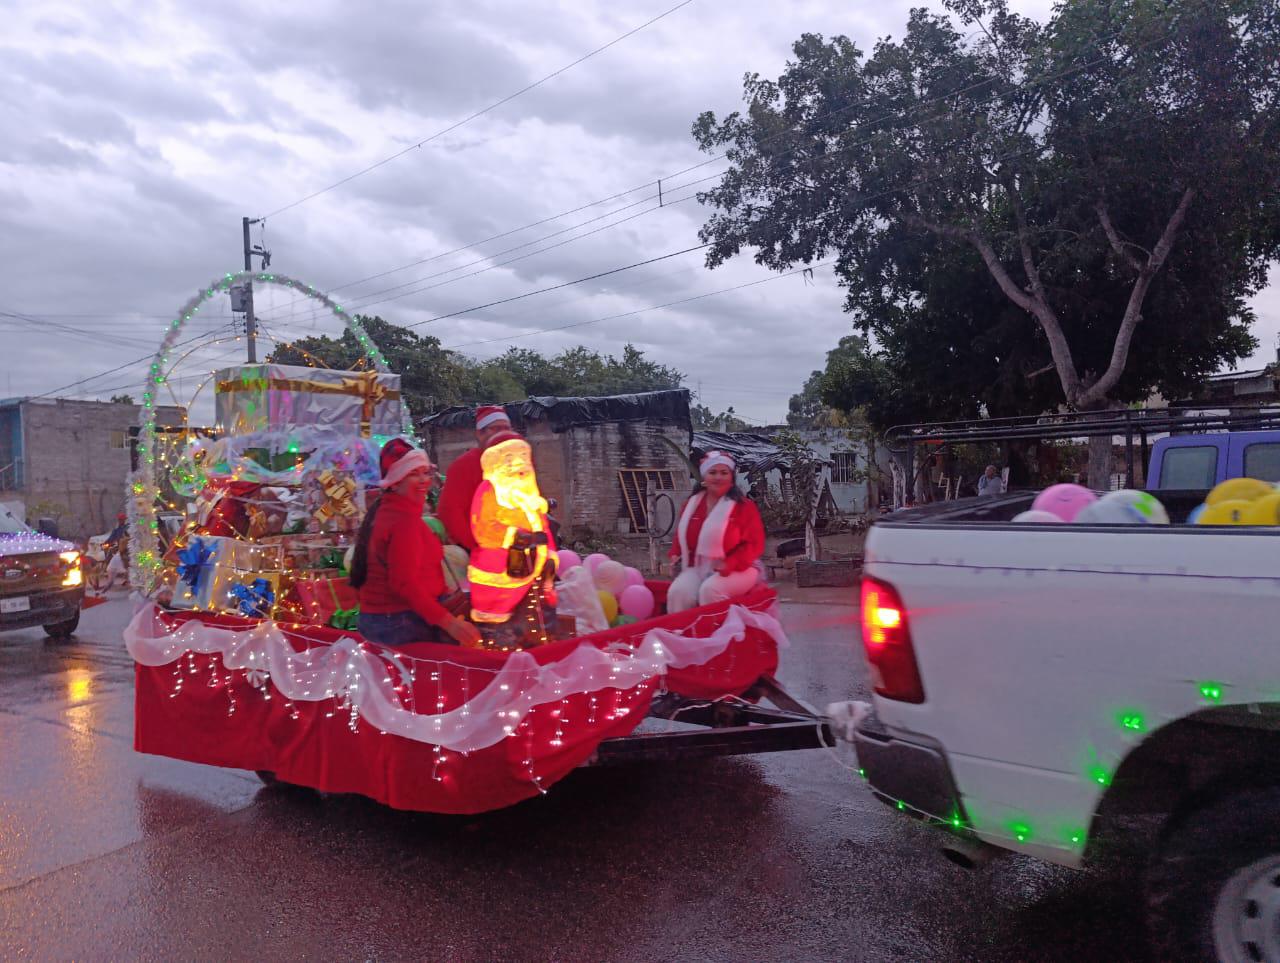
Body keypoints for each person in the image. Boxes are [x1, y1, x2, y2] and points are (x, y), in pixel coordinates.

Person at [350, 439, 482, 648]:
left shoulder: (392, 512)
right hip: (398, 623)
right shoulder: (403, 522)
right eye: (413, 474)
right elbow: (404, 584)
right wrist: (450, 624)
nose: (423, 480)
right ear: (395, 481)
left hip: (386, 620)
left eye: (425, 472)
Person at [467, 431, 556, 626]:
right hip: (497, 578)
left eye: (523, 456)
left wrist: (550, 553)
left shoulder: (530, 495)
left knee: (529, 623)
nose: (519, 463)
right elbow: (482, 529)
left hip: (530, 576)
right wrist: (517, 536)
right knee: (495, 621)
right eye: (509, 458)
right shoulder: (489, 491)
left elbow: (543, 527)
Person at [667, 451, 766, 613]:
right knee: (678, 593)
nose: (718, 477)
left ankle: (719, 636)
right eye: (712, 473)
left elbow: (755, 545)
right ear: (704, 477)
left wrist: (730, 563)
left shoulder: (744, 507)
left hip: (741, 566)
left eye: (724, 473)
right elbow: (681, 535)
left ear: (731, 478)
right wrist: (675, 554)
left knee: (710, 590)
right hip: (699, 565)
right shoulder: (691, 505)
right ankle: (682, 635)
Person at [436, 405, 513, 552]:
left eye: (507, 428)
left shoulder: (514, 464)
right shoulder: (463, 466)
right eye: (496, 429)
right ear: (480, 434)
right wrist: (476, 547)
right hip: (479, 548)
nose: (503, 434)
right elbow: (450, 512)